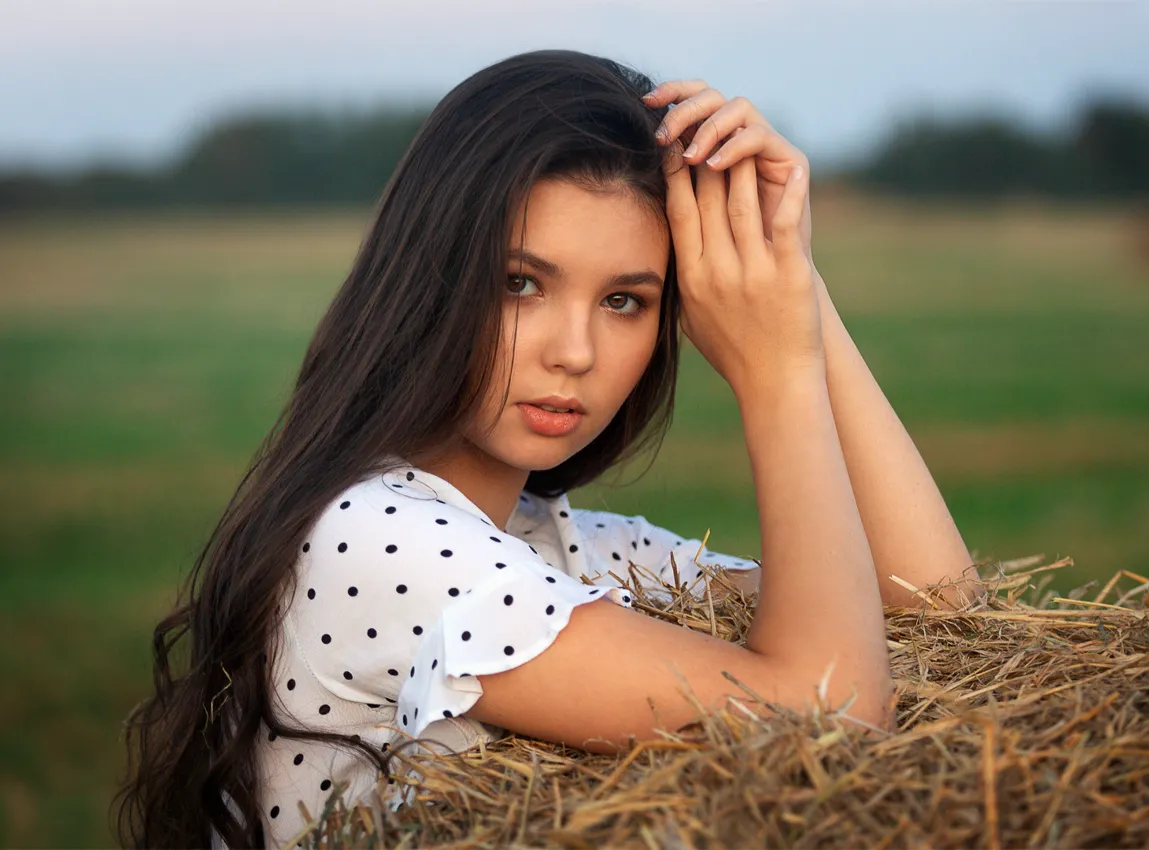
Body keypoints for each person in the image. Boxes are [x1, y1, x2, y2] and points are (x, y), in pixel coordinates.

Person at [116, 49, 982, 849]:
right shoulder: (376, 538)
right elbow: (834, 717)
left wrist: (791, 284)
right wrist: (777, 375)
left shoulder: (560, 545)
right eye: (521, 283)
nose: (574, 351)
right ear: (431, 275)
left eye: (625, 301)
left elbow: (933, 609)